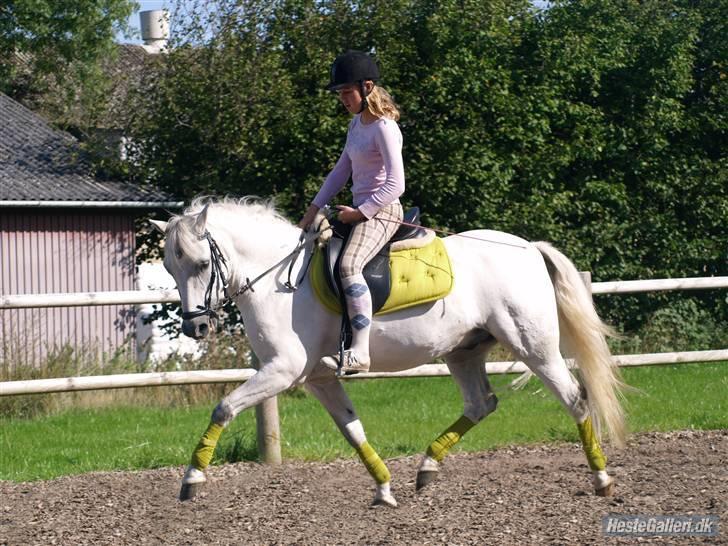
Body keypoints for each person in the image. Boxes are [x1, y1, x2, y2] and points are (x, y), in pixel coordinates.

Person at [298, 50, 405, 374]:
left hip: (383, 209)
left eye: (347, 92)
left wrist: (362, 213)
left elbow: (397, 183)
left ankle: (360, 350)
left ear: (367, 87)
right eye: (341, 93)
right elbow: (339, 173)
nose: (342, 98)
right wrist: (312, 210)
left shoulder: (384, 128)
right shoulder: (357, 125)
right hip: (359, 209)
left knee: (348, 265)